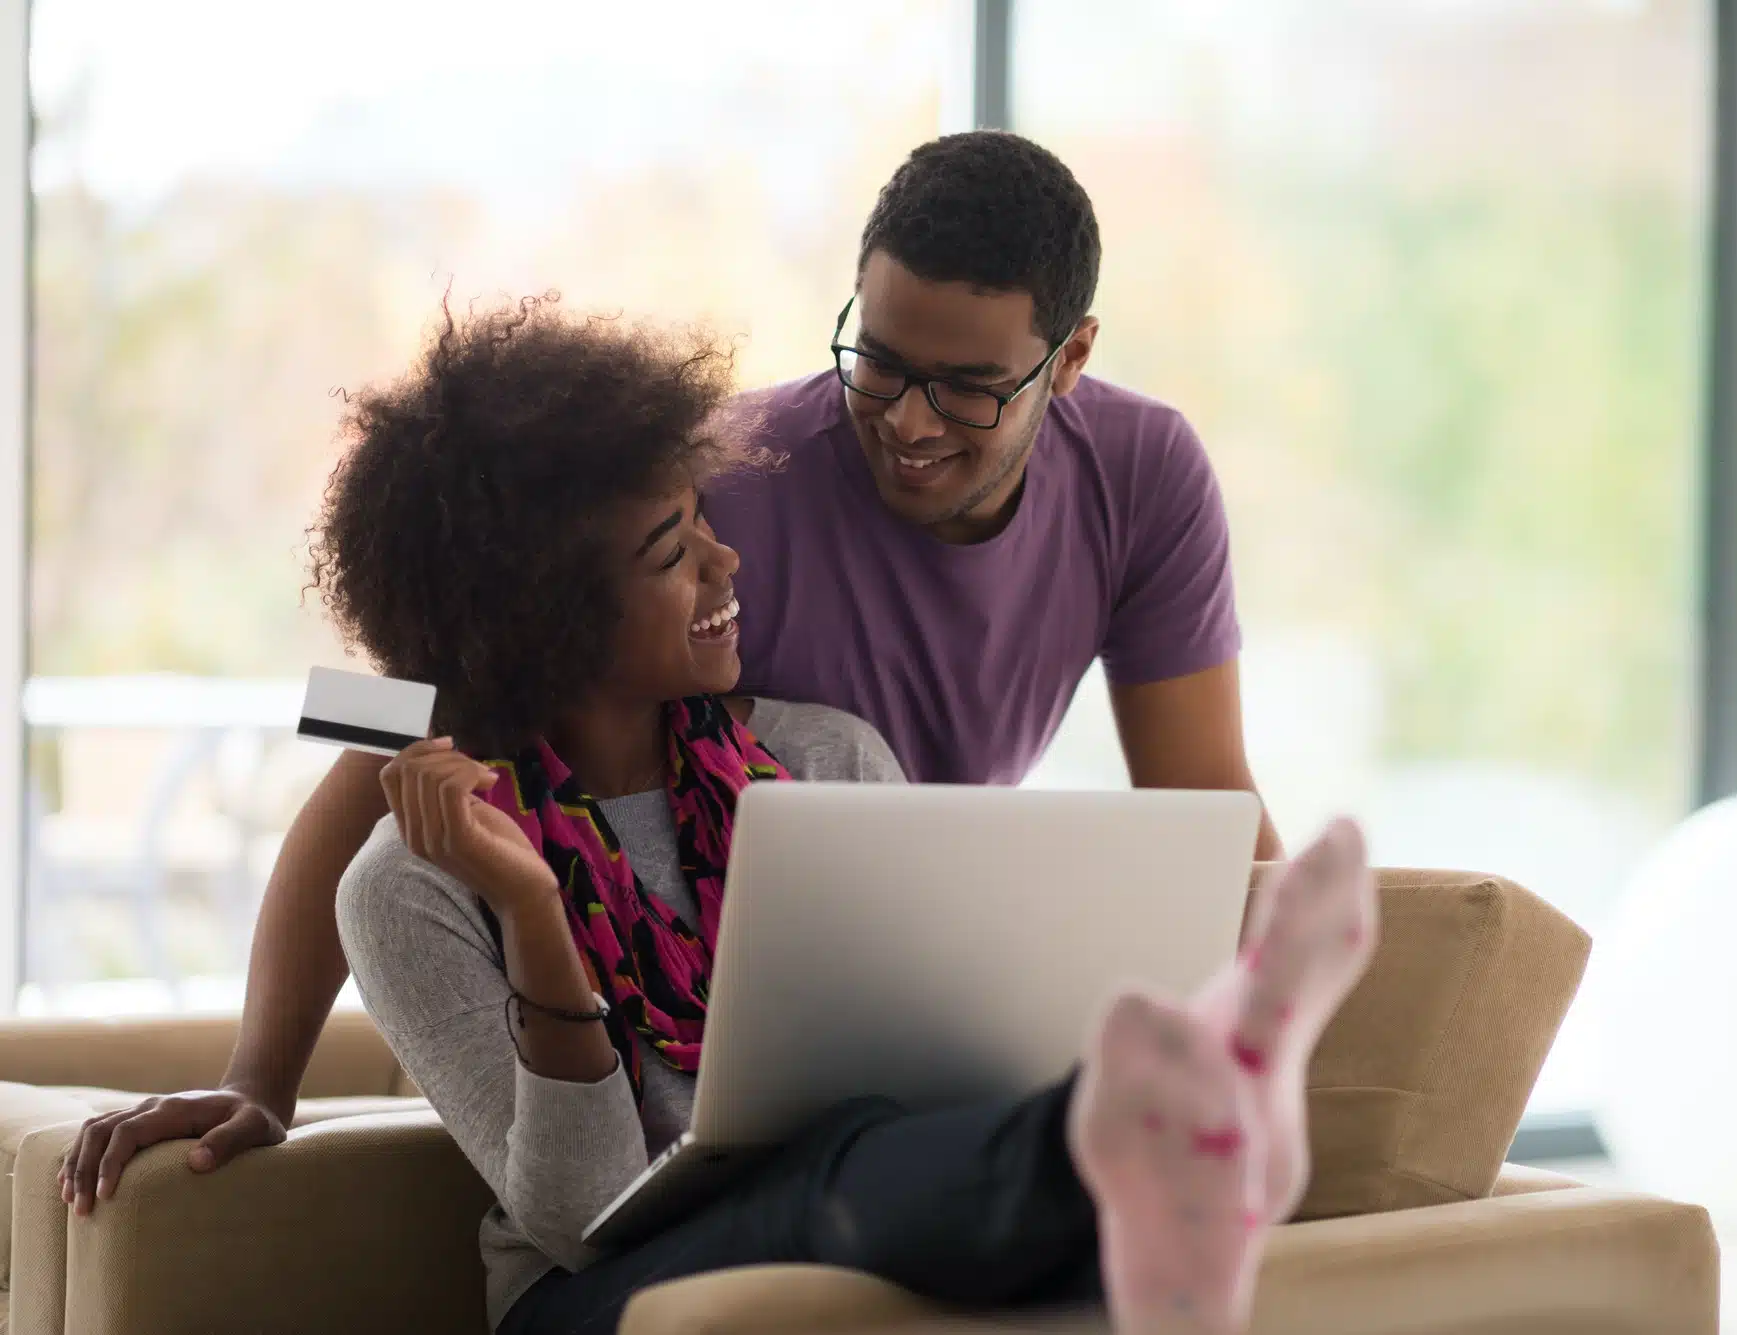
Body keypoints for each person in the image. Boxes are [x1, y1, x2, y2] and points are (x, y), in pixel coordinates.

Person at [81, 302, 1376, 1335]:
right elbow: (581, 1214)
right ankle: (1135, 1143)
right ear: (549, 623)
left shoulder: (824, 755)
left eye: (706, 524)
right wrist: (524, 915)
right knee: (845, 1164)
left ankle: (1156, 1150)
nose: (728, 561)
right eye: (676, 552)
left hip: (855, 1188)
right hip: (589, 1292)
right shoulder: (418, 884)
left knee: (876, 1148)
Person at [59, 130, 1284, 1200]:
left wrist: (1310, 1030)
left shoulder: (1144, 475)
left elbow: (1209, 802)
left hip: (895, 965)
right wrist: (259, 1080)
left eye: (967, 389)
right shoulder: (722, 480)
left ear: (1067, 360)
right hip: (670, 1002)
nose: (908, 420)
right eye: (879, 360)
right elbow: (387, 716)